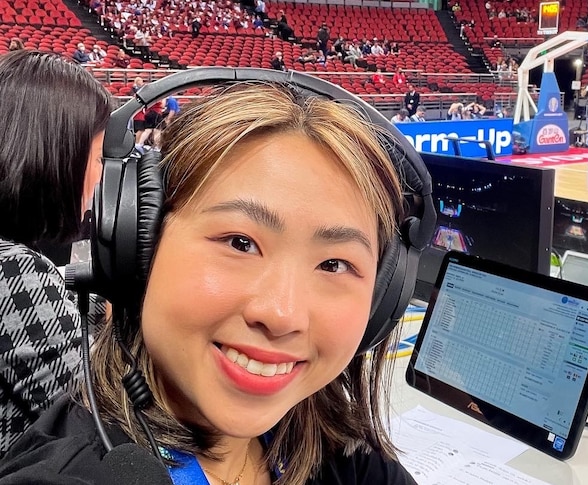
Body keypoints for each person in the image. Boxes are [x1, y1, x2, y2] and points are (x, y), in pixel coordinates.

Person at [0, 82, 418, 483]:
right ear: (139, 247)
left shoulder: (349, 460)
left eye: (333, 265)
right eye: (240, 243)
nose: (281, 315)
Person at [0, 50, 111, 456]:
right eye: (99, 157)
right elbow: (107, 417)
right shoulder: (15, 273)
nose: (102, 174)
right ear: (59, 155)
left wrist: (103, 297)